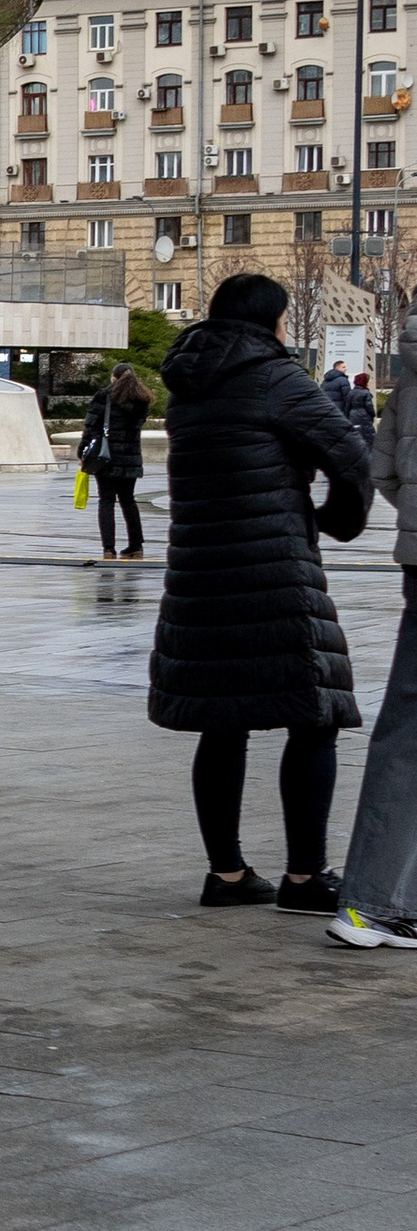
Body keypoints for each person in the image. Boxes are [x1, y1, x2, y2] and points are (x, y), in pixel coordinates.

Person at [149, 270, 368, 910]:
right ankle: (306, 878)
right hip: (273, 570)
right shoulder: (276, 377)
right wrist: (335, 523)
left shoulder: (187, 386)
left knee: (223, 723)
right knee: (313, 715)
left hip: (197, 576)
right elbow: (349, 455)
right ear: (271, 322)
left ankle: (228, 875)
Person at [333, 357, 417, 948]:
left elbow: (383, 472)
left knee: (407, 732)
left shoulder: (410, 378)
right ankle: (376, 905)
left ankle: (378, 903)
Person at [77, 361, 151, 559]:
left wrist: (82, 452)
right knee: (128, 501)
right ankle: (136, 547)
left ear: (115, 377)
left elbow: (90, 426)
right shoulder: (142, 399)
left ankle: (108, 549)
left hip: (106, 457)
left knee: (106, 500)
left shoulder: (105, 395)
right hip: (131, 457)